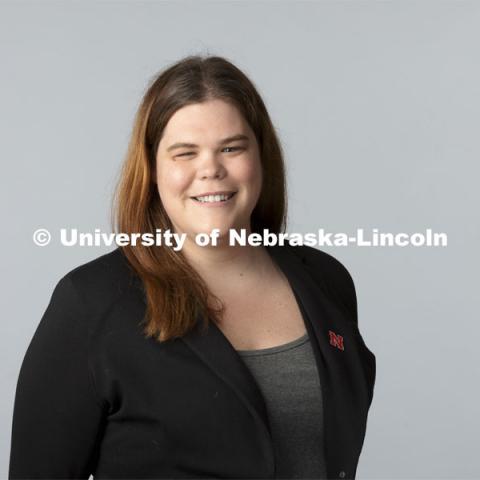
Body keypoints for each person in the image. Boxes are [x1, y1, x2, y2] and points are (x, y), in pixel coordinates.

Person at [8, 55, 376, 480]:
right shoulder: (90, 302)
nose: (211, 170)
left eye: (232, 148)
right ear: (152, 170)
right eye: (185, 153)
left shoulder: (326, 280)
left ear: (261, 157)